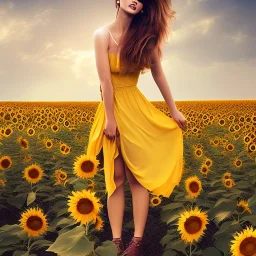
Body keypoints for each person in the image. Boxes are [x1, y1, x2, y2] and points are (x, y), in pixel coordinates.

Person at [87, 0, 187, 255]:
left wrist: (173, 109)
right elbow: (105, 82)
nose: (135, 0)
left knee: (137, 177)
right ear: (117, 0)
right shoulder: (101, 34)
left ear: (144, 7)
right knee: (115, 177)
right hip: (111, 108)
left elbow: (158, 74)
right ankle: (117, 240)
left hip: (136, 109)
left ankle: (137, 242)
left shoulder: (146, 37)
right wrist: (110, 119)